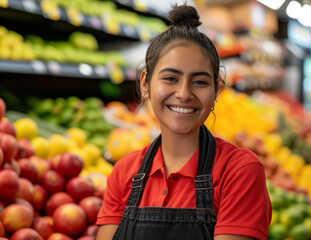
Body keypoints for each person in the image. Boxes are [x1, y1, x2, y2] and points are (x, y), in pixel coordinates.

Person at [96, 4, 272, 240]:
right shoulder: (123, 172)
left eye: (199, 82)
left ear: (217, 90)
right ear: (145, 83)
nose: (184, 93)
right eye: (170, 78)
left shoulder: (239, 171)